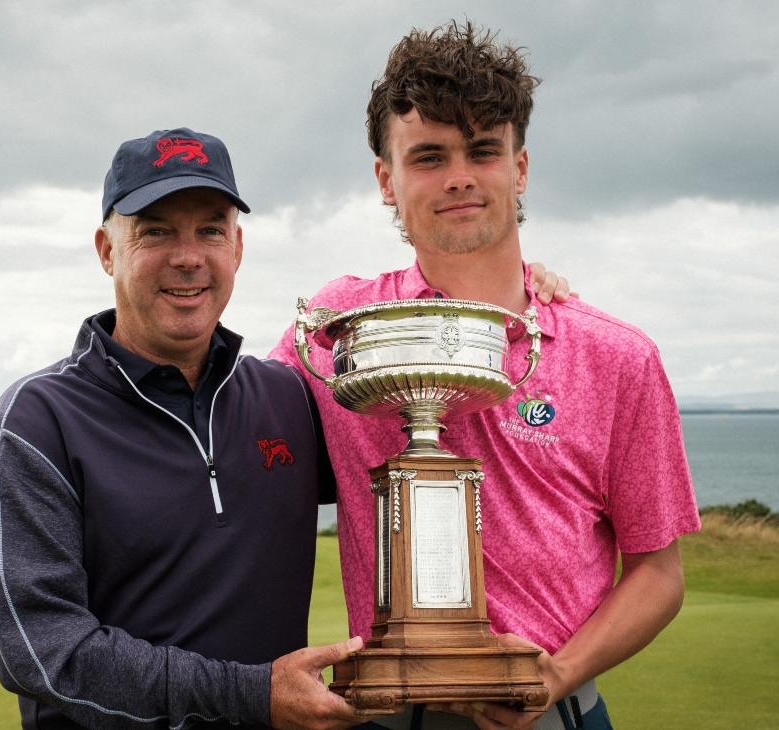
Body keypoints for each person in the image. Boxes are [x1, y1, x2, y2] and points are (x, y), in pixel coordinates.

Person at [270, 23, 700, 730]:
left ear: (520, 167)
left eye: (483, 151)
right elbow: (225, 415)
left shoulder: (618, 357)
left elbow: (659, 573)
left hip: (552, 715)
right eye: (430, 156)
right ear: (387, 179)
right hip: (384, 715)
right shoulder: (340, 325)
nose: (460, 176)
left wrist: (556, 675)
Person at [0, 127, 364, 730]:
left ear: (237, 247)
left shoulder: (289, 398)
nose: (188, 256)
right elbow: (44, 652)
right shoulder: (37, 420)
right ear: (106, 250)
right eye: (155, 230)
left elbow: (417, 450)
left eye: (210, 229)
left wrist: (523, 289)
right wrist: (250, 694)